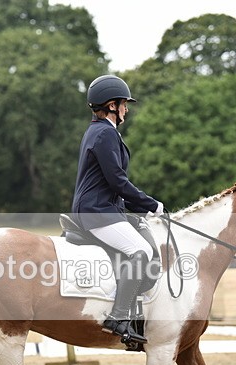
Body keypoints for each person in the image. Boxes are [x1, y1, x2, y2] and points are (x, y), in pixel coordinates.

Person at [72, 74, 164, 345]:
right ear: (112, 105)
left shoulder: (100, 132)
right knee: (141, 251)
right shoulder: (104, 134)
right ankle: (118, 317)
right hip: (97, 211)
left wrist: (140, 209)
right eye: (124, 104)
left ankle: (136, 315)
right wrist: (151, 204)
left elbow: (111, 184)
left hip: (105, 207)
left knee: (145, 237)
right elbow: (117, 180)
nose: (127, 109)